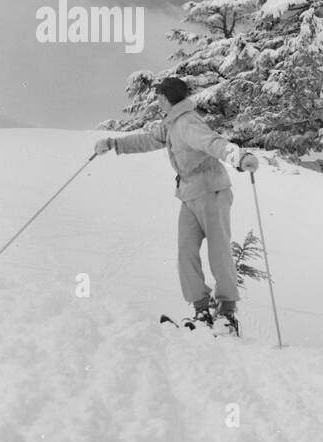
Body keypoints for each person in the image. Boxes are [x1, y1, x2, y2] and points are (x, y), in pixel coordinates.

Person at [94, 77, 259, 335]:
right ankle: (202, 310)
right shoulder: (172, 124)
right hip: (189, 194)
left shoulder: (188, 123)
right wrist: (114, 144)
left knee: (218, 251)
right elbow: (148, 140)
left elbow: (212, 142)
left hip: (212, 191)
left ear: (167, 98)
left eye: (159, 97)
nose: (157, 102)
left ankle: (226, 314)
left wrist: (239, 157)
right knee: (186, 252)